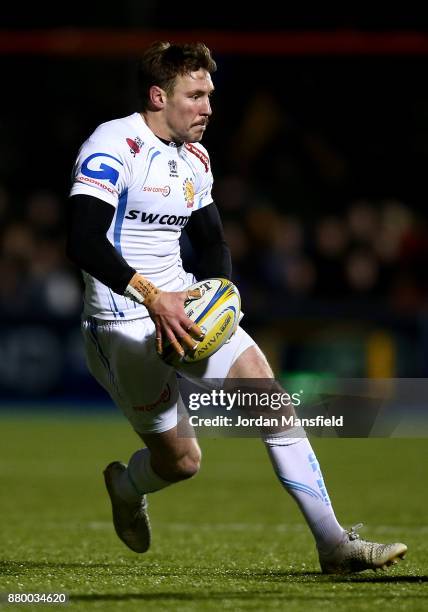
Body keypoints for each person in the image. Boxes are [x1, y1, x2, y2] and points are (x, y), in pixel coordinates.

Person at [67, 41, 407, 573]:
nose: (208, 107)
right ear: (159, 96)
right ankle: (126, 484)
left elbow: (212, 242)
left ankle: (334, 544)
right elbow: (84, 240)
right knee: (182, 463)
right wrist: (154, 298)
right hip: (122, 323)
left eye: (210, 95)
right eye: (195, 95)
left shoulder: (195, 158)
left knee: (272, 401)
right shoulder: (113, 146)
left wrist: (218, 291)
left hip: (185, 307)